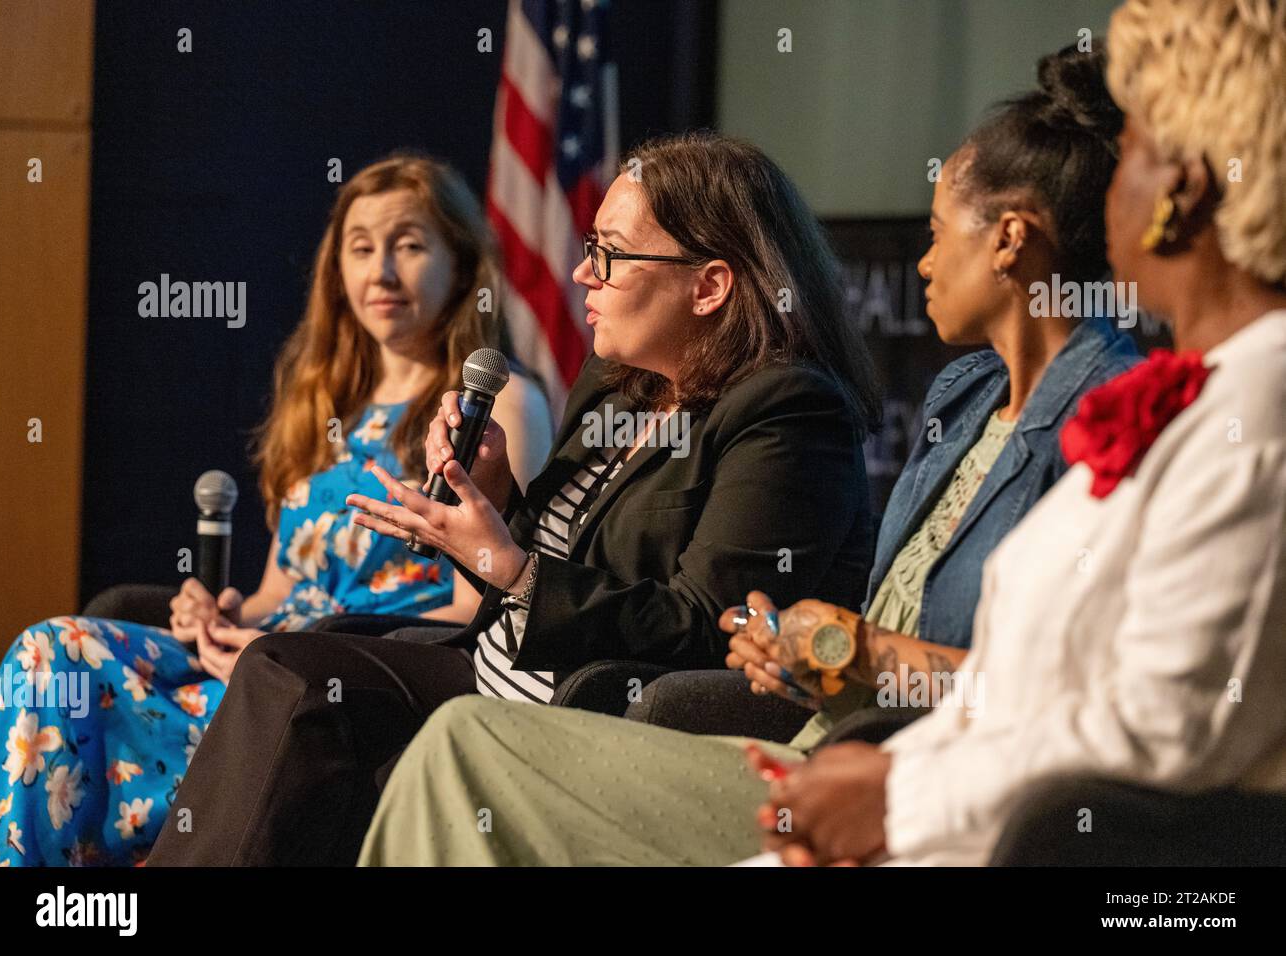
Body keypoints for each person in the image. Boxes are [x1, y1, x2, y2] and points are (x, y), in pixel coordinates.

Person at [357, 9, 1283, 866]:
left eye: (1130, 161)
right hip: (872, 757)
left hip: (937, 809)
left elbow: (1147, 740)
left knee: (458, 749)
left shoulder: (1233, 416)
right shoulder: (981, 396)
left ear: (1185, 189)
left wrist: (893, 768)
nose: (1102, 194)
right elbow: (1014, 676)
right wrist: (836, 656)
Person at [147, 131, 882, 866]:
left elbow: (710, 624)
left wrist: (510, 565)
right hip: (492, 666)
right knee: (285, 669)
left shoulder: (786, 412)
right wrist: (494, 500)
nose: (581, 273)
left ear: (710, 285)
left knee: (307, 699)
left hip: (585, 706)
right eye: (589, 247)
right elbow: (546, 560)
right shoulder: (616, 385)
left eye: (610, 255)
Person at [0, 154, 552, 867]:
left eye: (408, 245)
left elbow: (487, 614)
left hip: (344, 689)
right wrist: (225, 617)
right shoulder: (320, 406)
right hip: (257, 662)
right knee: (54, 653)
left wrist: (288, 651)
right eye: (361, 248)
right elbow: (276, 591)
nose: (381, 272)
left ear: (462, 263)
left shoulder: (496, 410)